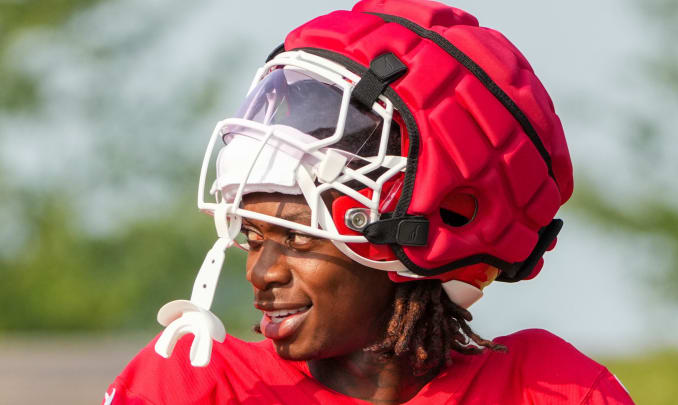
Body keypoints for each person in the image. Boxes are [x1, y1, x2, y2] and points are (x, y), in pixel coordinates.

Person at [103, 1, 635, 404]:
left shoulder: (545, 389)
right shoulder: (197, 386)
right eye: (253, 236)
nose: (260, 272)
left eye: (296, 235)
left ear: (418, 233)